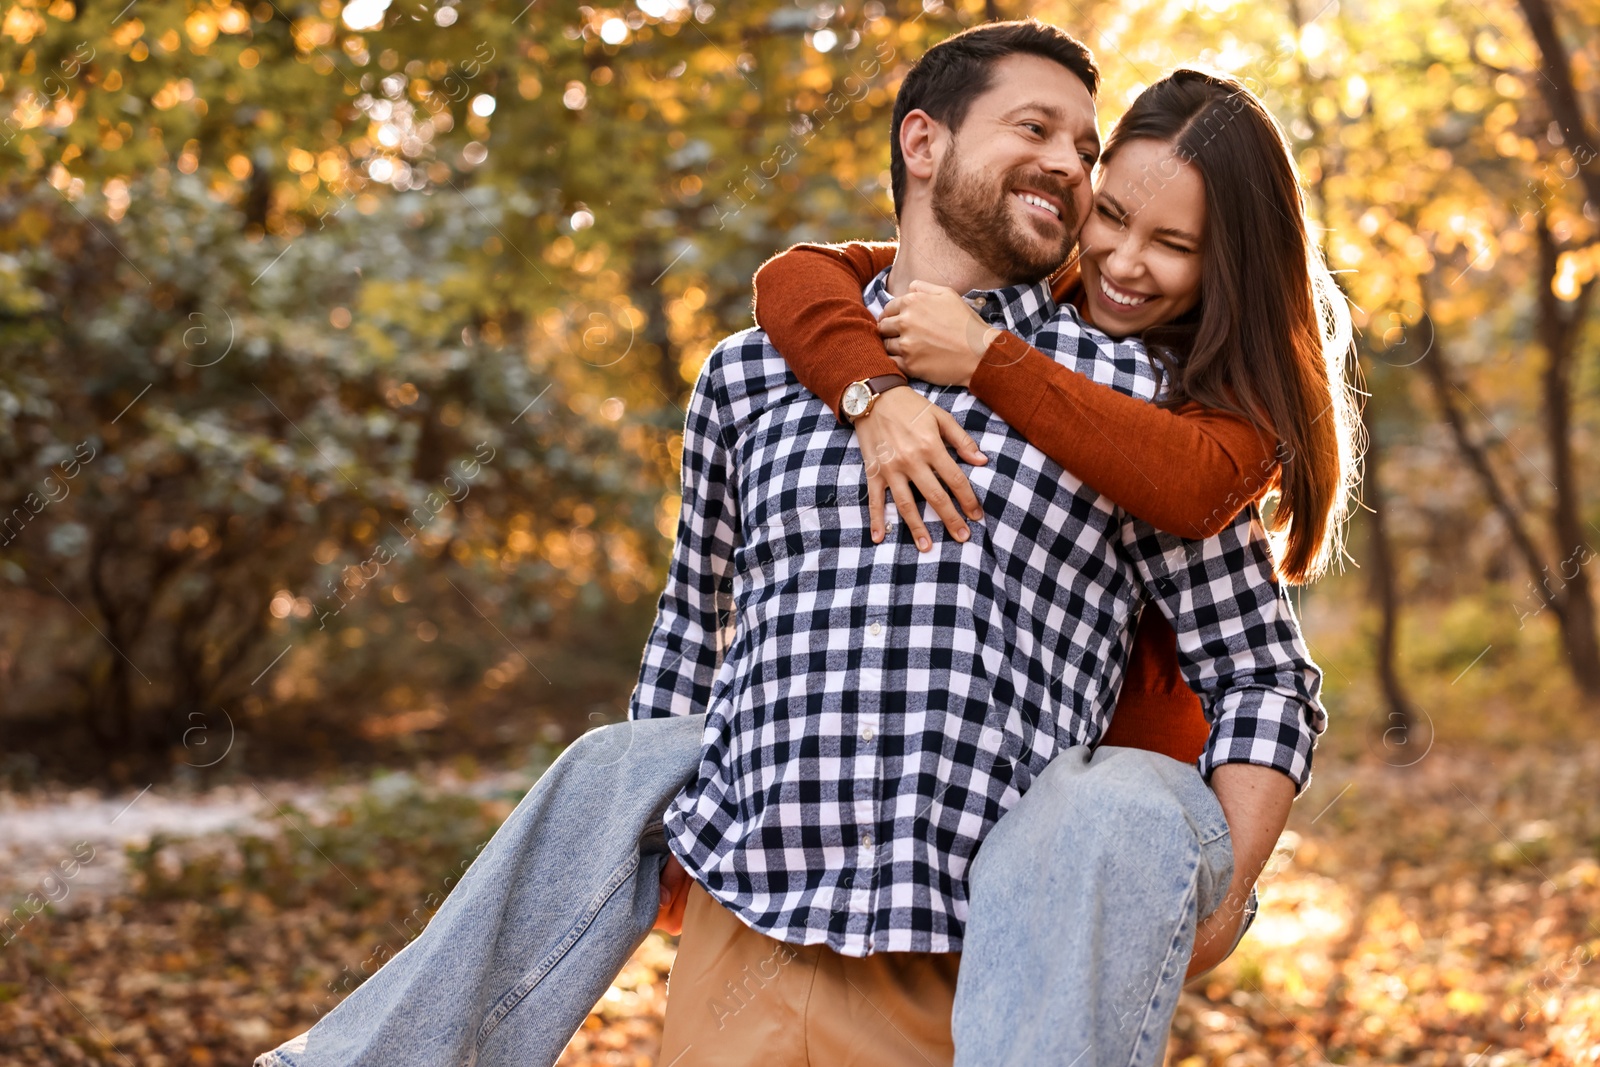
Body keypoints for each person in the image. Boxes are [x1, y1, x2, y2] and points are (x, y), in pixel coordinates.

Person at [640, 21, 1345, 1067]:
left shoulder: (1132, 403)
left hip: (983, 978)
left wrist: (1214, 897)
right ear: (922, 143)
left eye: (1081, 142)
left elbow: (1263, 677)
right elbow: (691, 625)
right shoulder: (755, 373)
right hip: (737, 947)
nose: (1069, 164)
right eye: (1038, 129)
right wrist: (657, 846)